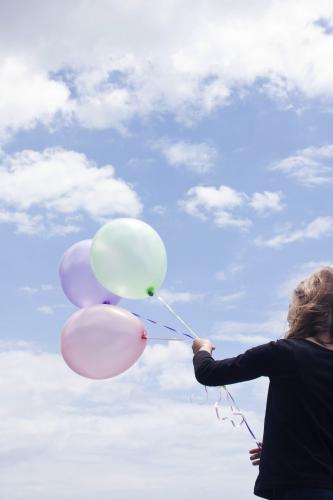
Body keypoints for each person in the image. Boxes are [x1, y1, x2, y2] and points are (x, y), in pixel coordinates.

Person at [192, 267, 333, 499]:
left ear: (305, 309)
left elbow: (209, 373)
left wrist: (202, 350)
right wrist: (281, 451)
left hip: (298, 489)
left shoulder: (284, 352)